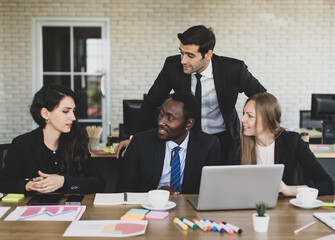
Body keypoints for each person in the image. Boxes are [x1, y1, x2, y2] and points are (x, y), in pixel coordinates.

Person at [115, 25, 266, 163]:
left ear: (208, 54)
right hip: (189, 137)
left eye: (190, 55)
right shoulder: (172, 66)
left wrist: (259, 128)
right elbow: (151, 101)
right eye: (181, 53)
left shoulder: (234, 69)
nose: (183, 60)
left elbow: (263, 97)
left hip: (225, 138)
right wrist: (133, 138)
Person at [0, 84, 105, 194]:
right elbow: (4, 184)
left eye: (73, 111)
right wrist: (28, 185)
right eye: (65, 111)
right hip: (33, 209)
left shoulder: (76, 142)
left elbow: (98, 184)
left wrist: (63, 182)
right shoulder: (22, 144)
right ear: (45, 113)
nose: (73, 117)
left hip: (71, 208)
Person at [228, 92, 333, 196]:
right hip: (251, 207)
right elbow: (229, 185)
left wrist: (289, 190)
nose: (242, 119)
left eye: (249, 116)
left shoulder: (292, 142)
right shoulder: (239, 145)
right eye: (243, 114)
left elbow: (328, 185)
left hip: (286, 209)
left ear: (267, 120)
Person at [117, 91, 221, 194]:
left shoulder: (208, 145)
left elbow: (212, 191)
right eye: (161, 114)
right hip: (149, 205)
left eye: (170, 118)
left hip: (189, 207)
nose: (160, 122)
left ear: (188, 124)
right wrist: (157, 194)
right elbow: (124, 191)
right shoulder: (140, 142)